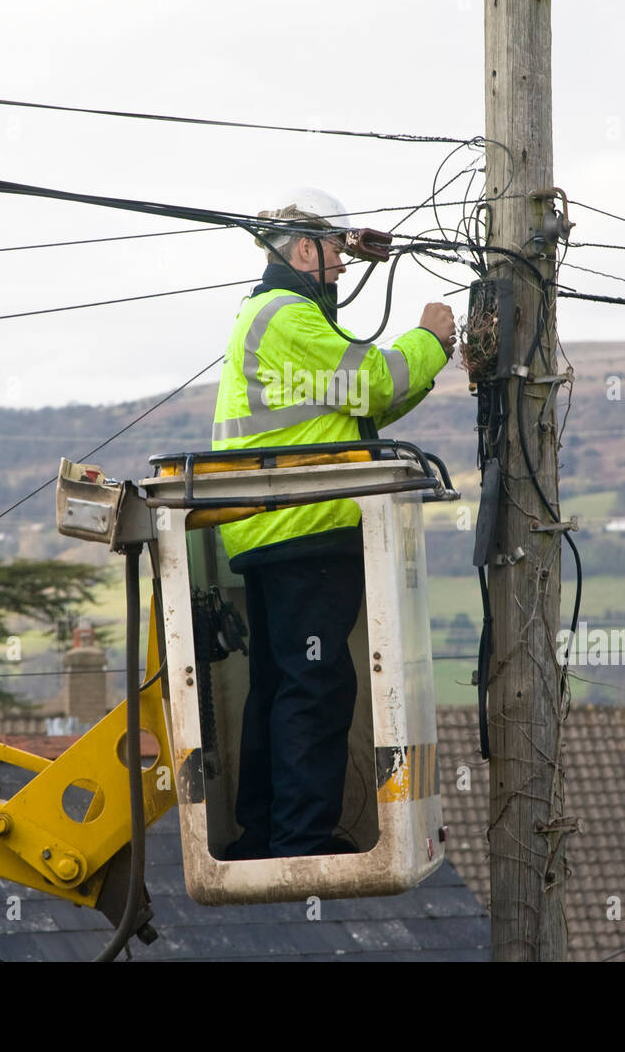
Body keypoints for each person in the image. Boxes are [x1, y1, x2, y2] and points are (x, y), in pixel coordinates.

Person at [211, 187, 455, 858]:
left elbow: (357, 410)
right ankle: (298, 842)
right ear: (303, 248)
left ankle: (265, 834)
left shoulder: (274, 316)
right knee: (315, 689)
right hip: (305, 530)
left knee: (283, 686)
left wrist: (420, 369)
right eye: (335, 252)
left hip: (278, 529)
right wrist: (430, 340)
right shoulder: (288, 315)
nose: (343, 268)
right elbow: (374, 379)